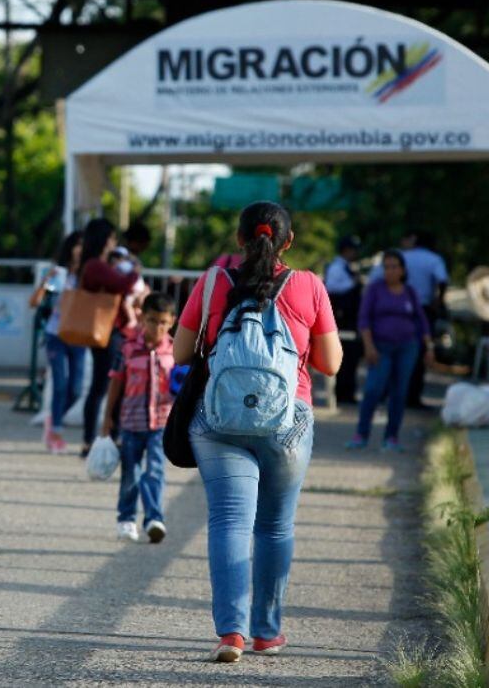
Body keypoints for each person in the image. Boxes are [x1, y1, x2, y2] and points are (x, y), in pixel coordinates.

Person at [174, 202, 342, 663]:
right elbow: (331, 363)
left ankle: (232, 634)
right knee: (274, 527)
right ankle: (267, 631)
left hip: (219, 421)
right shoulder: (309, 285)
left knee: (229, 521)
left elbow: (180, 352)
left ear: (239, 239)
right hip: (287, 421)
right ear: (288, 242)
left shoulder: (213, 281)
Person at [102, 293, 177, 544]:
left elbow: (183, 385)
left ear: (172, 322)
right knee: (130, 473)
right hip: (131, 422)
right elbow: (116, 382)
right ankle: (126, 519)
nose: (157, 327)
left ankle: (154, 518)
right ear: (142, 318)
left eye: (163, 322)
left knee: (155, 471)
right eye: (152, 320)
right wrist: (107, 418)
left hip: (162, 423)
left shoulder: (175, 351)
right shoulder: (127, 348)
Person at [348, 250, 435, 451]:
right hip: (380, 347)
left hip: (407, 347)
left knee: (399, 392)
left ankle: (392, 436)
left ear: (402, 270)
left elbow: (421, 320)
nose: (390, 271)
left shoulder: (410, 292)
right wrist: (368, 346)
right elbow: (364, 319)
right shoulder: (375, 290)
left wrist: (429, 346)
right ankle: (361, 434)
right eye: (387, 267)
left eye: (394, 266)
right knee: (373, 389)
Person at [76, 217, 142, 457]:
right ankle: (95, 438)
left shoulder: (95, 264)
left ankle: (103, 436)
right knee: (104, 386)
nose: (115, 242)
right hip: (108, 332)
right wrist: (134, 272)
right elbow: (124, 284)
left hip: (109, 332)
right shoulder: (96, 265)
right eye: (113, 237)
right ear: (105, 239)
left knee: (105, 385)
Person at [369, 229, 448, 408]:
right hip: (423, 308)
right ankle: (411, 396)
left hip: (391, 305)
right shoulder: (434, 260)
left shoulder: (399, 257)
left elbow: (375, 279)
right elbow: (442, 280)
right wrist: (439, 301)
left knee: (388, 353)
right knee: (415, 356)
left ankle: (384, 393)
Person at [29, 232, 85, 454]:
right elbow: (33, 302)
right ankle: (56, 432)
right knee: (60, 384)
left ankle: (53, 419)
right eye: (77, 246)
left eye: (84, 246)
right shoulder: (58, 273)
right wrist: (45, 281)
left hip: (79, 336)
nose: (80, 250)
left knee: (77, 389)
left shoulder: (89, 275)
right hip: (56, 335)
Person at [323, 236, 364, 404]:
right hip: (342, 319)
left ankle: (348, 391)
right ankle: (342, 393)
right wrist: (353, 283)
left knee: (352, 356)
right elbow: (332, 288)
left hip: (350, 319)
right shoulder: (337, 268)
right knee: (344, 356)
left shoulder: (347, 267)